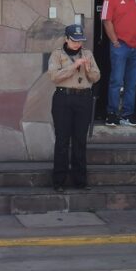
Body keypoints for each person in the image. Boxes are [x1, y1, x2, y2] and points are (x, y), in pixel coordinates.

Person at [48, 23, 101, 192]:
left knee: (80, 140)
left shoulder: (87, 54)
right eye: (74, 40)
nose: (78, 44)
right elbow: (54, 76)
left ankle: (80, 180)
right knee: (62, 140)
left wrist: (87, 68)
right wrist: (73, 66)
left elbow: (96, 76)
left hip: (83, 98)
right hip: (63, 98)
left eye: (80, 40)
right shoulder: (57, 55)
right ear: (66, 39)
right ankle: (59, 181)